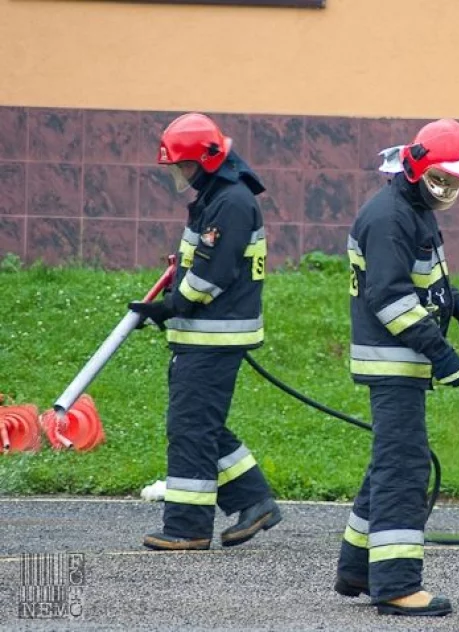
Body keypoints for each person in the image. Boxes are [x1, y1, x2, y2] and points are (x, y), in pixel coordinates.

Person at [334, 118, 459, 617]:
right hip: (393, 361)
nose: (445, 192)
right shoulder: (390, 217)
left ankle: (358, 568)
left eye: (453, 184)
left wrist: (457, 303)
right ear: (414, 169)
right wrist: (442, 355)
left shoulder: (413, 209)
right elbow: (391, 298)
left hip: (401, 362)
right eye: (439, 181)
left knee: (389, 463)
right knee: (403, 469)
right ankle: (396, 584)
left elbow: (422, 278)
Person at [129, 112, 281, 551]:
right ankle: (254, 501)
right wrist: (171, 300)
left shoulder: (230, 202)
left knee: (191, 429)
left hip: (213, 336)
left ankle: (187, 527)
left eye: (183, 165)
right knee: (201, 425)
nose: (179, 173)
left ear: (207, 160)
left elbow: (213, 274)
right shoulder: (220, 197)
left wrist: (171, 305)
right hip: (205, 334)